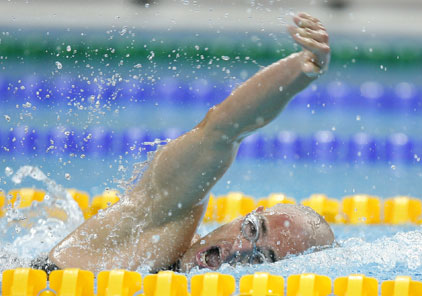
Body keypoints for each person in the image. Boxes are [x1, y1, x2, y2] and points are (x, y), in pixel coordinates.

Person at [42, 12, 333, 273]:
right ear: (245, 216)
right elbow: (222, 130)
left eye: (262, 259)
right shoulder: (156, 227)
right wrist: (301, 71)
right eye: (253, 230)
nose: (241, 250)